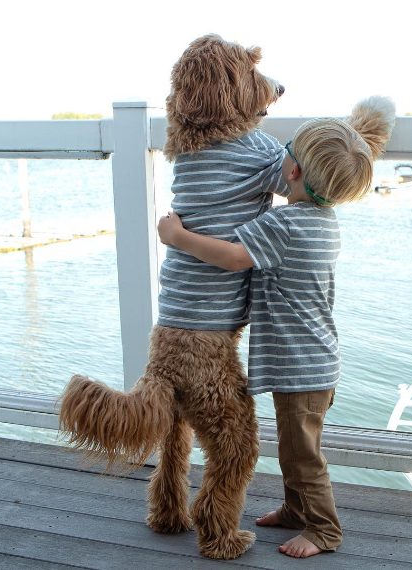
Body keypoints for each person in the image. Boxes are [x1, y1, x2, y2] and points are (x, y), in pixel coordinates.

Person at [158, 98, 395, 558]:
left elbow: (232, 258)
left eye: (284, 150)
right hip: (315, 361)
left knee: (304, 457)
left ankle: (324, 530)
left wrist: (177, 237)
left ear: (293, 172)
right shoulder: (324, 222)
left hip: (299, 368)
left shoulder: (283, 224)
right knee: (292, 448)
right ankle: (294, 510)